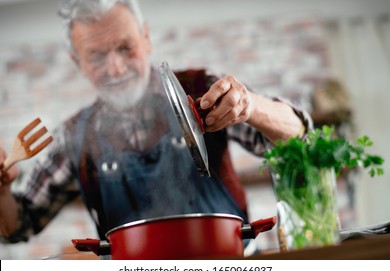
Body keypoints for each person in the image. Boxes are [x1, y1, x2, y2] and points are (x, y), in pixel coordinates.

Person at [0, 0, 312, 249]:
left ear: (146, 38)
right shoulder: (74, 137)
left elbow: (300, 140)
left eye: (126, 47)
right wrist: (2, 192)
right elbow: (19, 226)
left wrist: (251, 105)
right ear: (76, 61)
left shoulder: (201, 91)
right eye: (96, 56)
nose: (116, 67)